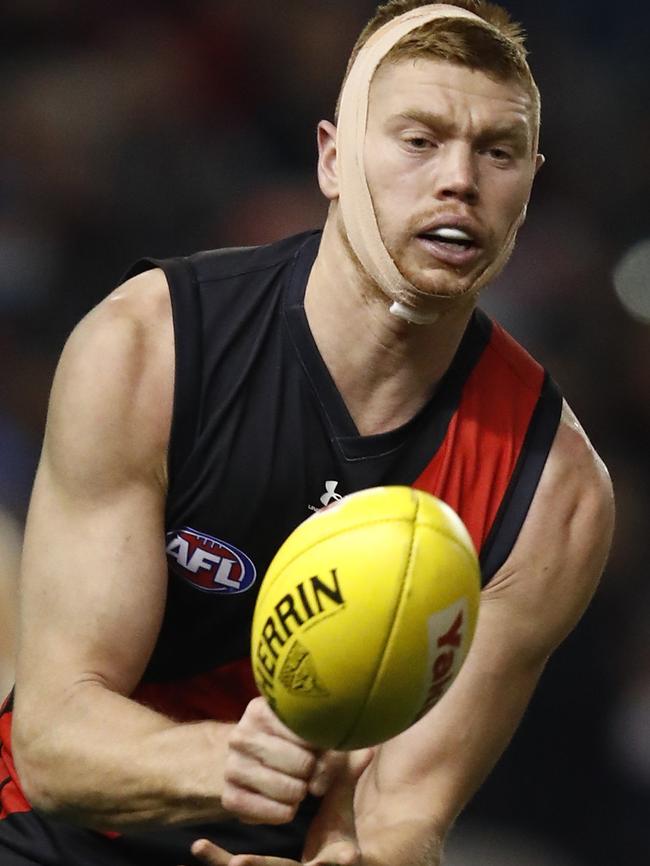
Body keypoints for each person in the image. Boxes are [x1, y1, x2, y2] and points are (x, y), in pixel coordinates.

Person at [0, 2, 614, 865]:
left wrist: (356, 861)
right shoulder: (150, 349)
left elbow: (403, 810)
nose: (459, 181)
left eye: (497, 151)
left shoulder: (554, 493)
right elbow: (55, 741)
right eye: (418, 140)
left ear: (528, 187)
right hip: (48, 839)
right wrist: (230, 762)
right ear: (332, 158)